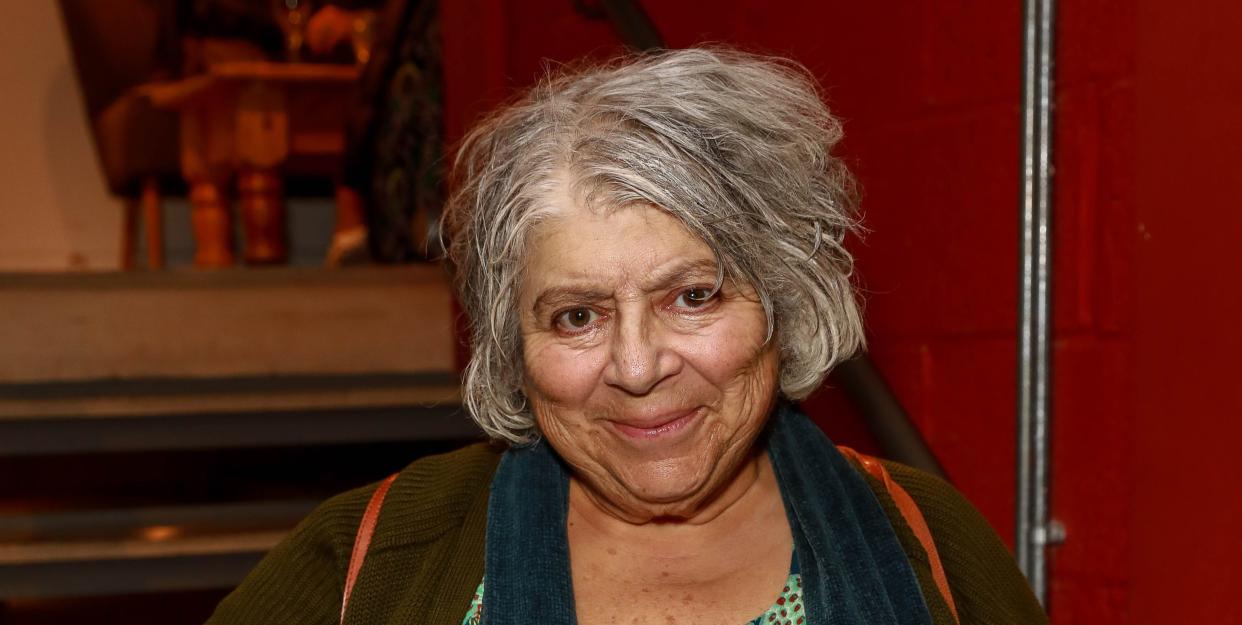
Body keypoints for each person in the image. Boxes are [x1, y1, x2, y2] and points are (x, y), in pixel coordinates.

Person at [206, 48, 1048, 625]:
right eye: (577, 315)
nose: (638, 367)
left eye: (692, 295)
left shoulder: (924, 536)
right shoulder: (380, 554)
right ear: (512, 341)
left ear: (781, 302)